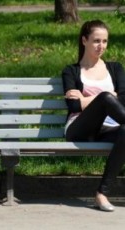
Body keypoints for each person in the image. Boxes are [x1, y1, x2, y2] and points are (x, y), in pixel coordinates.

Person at [62, 19, 125, 212]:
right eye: (97, 41)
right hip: (79, 128)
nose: (101, 46)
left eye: (105, 41)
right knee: (106, 97)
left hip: (109, 128)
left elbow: (123, 99)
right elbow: (73, 104)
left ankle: (102, 193)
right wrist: (104, 97)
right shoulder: (71, 71)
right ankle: (105, 98)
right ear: (84, 41)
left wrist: (85, 99)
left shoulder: (115, 68)